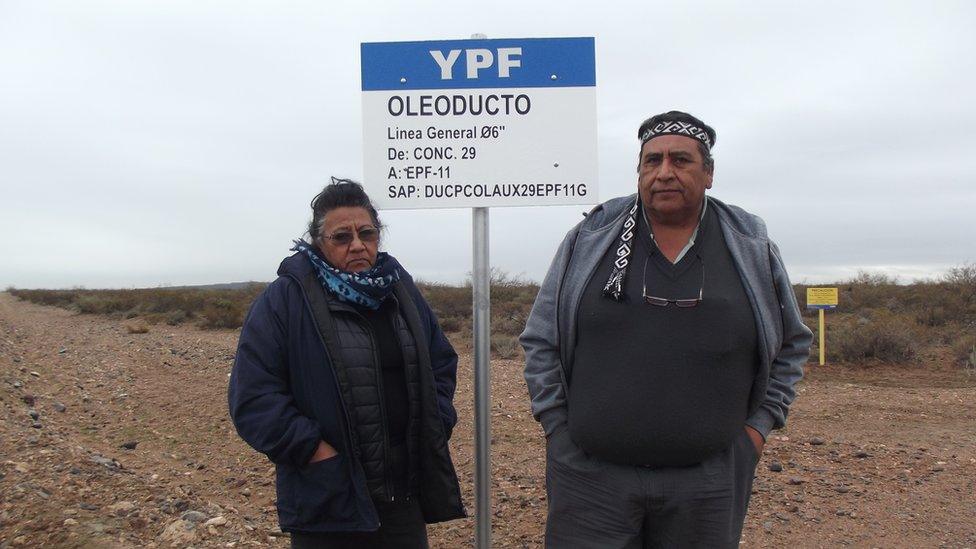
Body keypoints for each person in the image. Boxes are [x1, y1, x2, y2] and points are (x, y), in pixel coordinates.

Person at [521, 111, 813, 548]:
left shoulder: (748, 243)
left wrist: (757, 430)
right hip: (589, 479)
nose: (664, 173)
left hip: (708, 483)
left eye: (681, 160)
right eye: (651, 161)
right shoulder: (592, 236)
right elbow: (541, 338)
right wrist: (556, 428)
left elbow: (792, 342)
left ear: (709, 173)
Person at [228, 178, 464, 548]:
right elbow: (253, 397)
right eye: (341, 237)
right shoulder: (285, 300)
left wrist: (436, 421)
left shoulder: (400, 291)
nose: (357, 244)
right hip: (328, 496)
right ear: (318, 243)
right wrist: (313, 450)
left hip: (403, 492)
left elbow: (441, 362)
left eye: (366, 233)